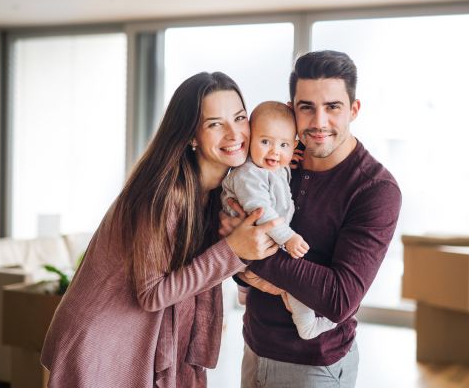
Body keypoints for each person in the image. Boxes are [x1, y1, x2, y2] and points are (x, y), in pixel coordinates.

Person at [40, 72, 284, 388]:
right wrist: (233, 250)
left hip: (136, 336)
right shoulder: (166, 195)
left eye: (239, 118)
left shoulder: (220, 192)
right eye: (214, 124)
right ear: (191, 136)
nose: (234, 133)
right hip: (101, 343)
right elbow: (154, 294)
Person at [220, 51, 402, 388]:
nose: (319, 122)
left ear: (354, 110)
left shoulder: (375, 189)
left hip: (315, 368)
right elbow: (229, 243)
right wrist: (239, 255)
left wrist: (246, 250)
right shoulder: (276, 160)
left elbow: (339, 299)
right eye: (307, 107)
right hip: (253, 347)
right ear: (292, 109)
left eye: (332, 106)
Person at [221, 101, 337, 340]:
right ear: (250, 139)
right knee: (294, 282)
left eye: (283, 144)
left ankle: (244, 290)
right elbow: (260, 209)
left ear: (294, 145)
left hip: (258, 241)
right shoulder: (249, 173)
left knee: (270, 278)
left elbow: (277, 179)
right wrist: (289, 237)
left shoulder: (275, 166)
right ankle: (307, 326)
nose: (274, 151)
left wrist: (287, 162)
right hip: (258, 237)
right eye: (265, 142)